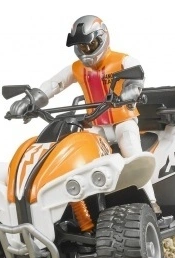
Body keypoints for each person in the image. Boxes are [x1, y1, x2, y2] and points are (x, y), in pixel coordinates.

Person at [9, 15, 162, 215]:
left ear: (103, 38)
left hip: (123, 120)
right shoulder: (77, 68)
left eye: (91, 45)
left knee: (132, 152)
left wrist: (129, 92)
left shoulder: (123, 60)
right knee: (78, 155)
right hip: (96, 123)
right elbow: (54, 84)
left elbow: (137, 80)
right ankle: (82, 206)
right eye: (82, 46)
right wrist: (29, 101)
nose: (87, 50)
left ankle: (152, 203)